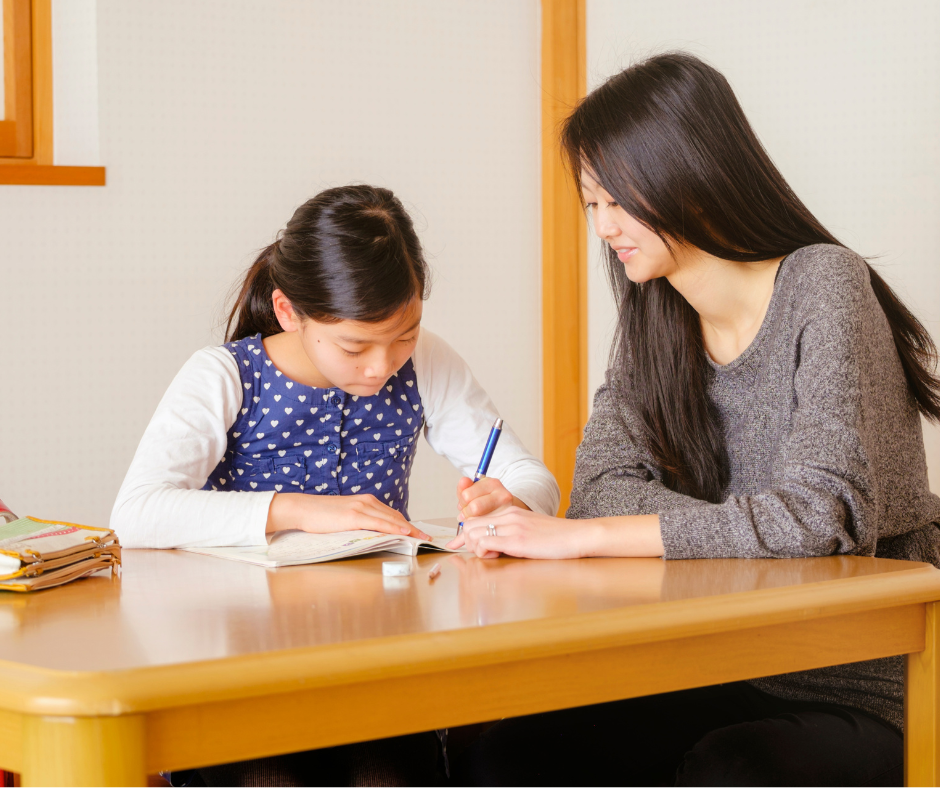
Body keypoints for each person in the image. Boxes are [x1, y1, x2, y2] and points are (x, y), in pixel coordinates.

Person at [450, 53, 940, 786]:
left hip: (872, 682)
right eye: (591, 203)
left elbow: (819, 517)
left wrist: (577, 542)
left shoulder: (823, 284)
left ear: (691, 171)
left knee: (731, 772)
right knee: (506, 746)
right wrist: (736, 526)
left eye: (618, 198)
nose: (604, 225)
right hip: (723, 655)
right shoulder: (654, 315)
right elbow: (602, 489)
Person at [111, 184, 559, 786]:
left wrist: (514, 498)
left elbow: (533, 477)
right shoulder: (224, 375)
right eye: (355, 345)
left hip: (376, 668)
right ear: (290, 311)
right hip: (240, 671)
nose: (382, 365)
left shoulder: (427, 363)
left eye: (403, 335)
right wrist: (301, 511)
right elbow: (136, 513)